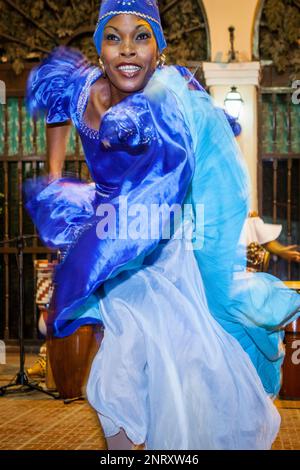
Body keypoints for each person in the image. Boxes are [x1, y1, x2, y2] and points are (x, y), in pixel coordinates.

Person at [24, 0, 300, 450]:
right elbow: (57, 108)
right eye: (114, 37)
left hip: (165, 252)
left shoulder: (167, 101)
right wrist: (55, 178)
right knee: (120, 371)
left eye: (141, 37)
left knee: (185, 368)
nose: (127, 49)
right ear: (100, 50)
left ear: (159, 51)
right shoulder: (77, 90)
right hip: (118, 256)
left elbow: (185, 167)